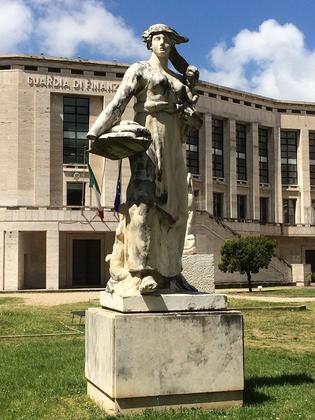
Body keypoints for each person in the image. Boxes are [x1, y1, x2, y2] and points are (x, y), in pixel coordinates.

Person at [87, 24, 202, 296]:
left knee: (176, 207)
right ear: (149, 43)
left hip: (174, 142)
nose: (162, 43)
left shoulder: (178, 81)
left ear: (173, 45)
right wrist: (95, 132)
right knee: (143, 200)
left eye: (168, 40)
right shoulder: (140, 70)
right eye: (158, 39)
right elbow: (118, 103)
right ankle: (141, 273)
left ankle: (171, 273)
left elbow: (196, 119)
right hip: (148, 135)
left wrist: (190, 117)